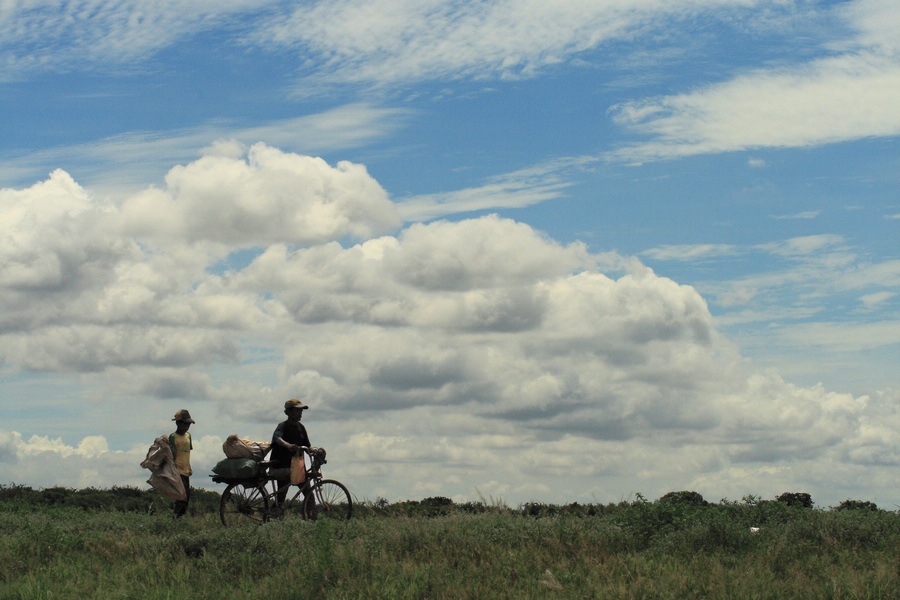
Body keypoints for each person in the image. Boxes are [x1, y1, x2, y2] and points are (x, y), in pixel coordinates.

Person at [270, 399, 311, 504]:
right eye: (297, 411)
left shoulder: (301, 428)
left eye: (301, 411)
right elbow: (277, 438)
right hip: (282, 467)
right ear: (288, 412)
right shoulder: (282, 426)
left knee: (309, 495)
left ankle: (311, 516)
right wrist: (288, 446)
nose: (300, 413)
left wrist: (316, 451)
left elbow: (308, 447)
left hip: (296, 467)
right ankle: (276, 514)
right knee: (281, 498)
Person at [169, 409, 195, 517]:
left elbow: (187, 453)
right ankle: (176, 517)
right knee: (181, 496)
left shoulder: (188, 436)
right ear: (178, 423)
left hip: (185, 470)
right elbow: (171, 455)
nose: (186, 427)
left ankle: (180, 517)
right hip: (177, 470)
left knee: (186, 497)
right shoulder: (173, 437)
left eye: (188, 424)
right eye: (184, 424)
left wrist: (189, 468)